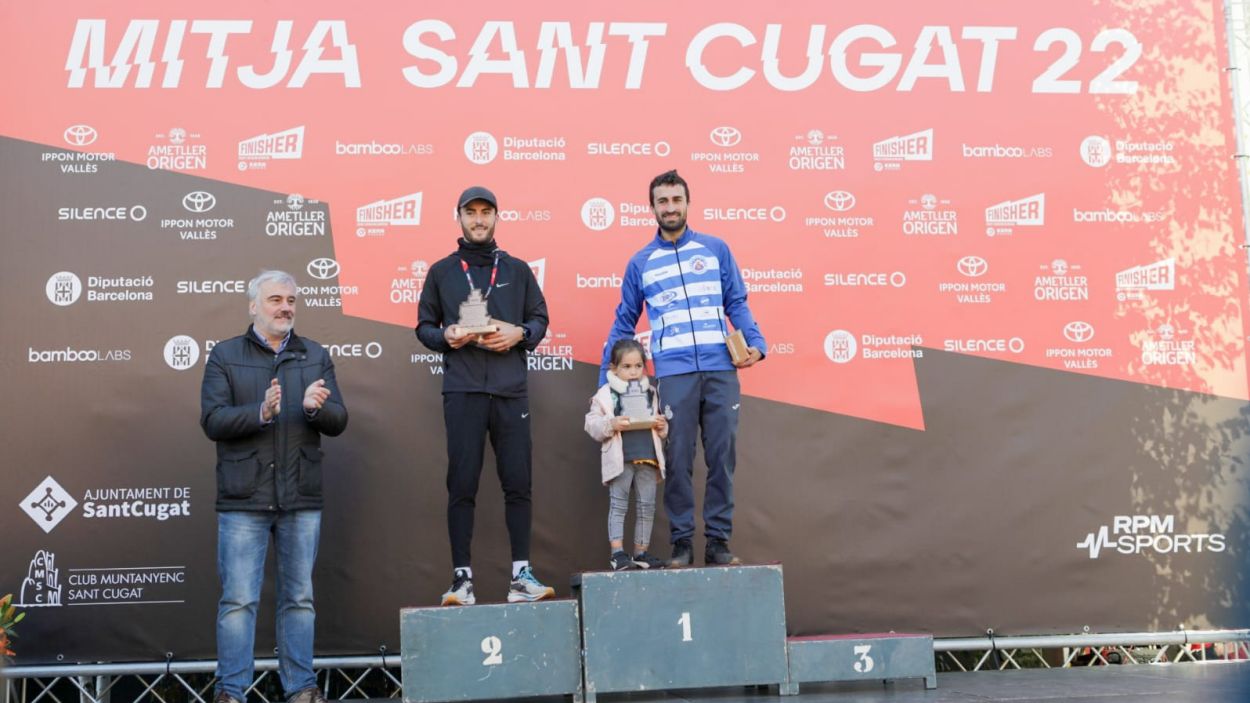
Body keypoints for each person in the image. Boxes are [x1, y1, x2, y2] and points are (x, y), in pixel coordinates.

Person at [600, 170, 766, 567]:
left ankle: (718, 542)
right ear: (652, 207)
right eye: (663, 201)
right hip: (673, 374)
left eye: (676, 200)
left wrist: (756, 343)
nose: (670, 207)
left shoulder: (715, 249)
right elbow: (624, 321)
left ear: (687, 203)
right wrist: (605, 380)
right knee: (676, 459)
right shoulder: (641, 262)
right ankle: (681, 543)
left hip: (720, 368)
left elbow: (736, 301)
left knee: (722, 456)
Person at [200, 270, 348, 703]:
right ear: (253, 306)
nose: (285, 307)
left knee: (299, 598)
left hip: (300, 496)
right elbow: (212, 420)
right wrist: (260, 412)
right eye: (275, 299)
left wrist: (316, 409)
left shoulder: (314, 355)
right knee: (238, 601)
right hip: (244, 498)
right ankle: (231, 691)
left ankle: (300, 688)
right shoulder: (225, 355)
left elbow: (339, 419)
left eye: (291, 300)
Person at [416, 185, 554, 605]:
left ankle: (521, 578)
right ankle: (462, 580)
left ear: (496, 217)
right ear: (459, 217)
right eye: (471, 212)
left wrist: (520, 334)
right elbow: (424, 327)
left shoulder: (517, 269)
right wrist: (447, 335)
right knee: (462, 484)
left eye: (485, 212)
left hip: (510, 390)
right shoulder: (442, 272)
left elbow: (540, 318)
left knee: (519, 483)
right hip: (464, 389)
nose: (478, 219)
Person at [584, 339, 669, 570]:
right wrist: (611, 424)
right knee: (619, 506)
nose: (633, 372)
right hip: (620, 459)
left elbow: (660, 426)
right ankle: (617, 554)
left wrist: (663, 427)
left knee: (646, 507)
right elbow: (591, 424)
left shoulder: (651, 392)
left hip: (648, 458)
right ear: (614, 368)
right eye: (627, 366)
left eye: (638, 366)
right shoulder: (606, 394)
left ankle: (641, 553)